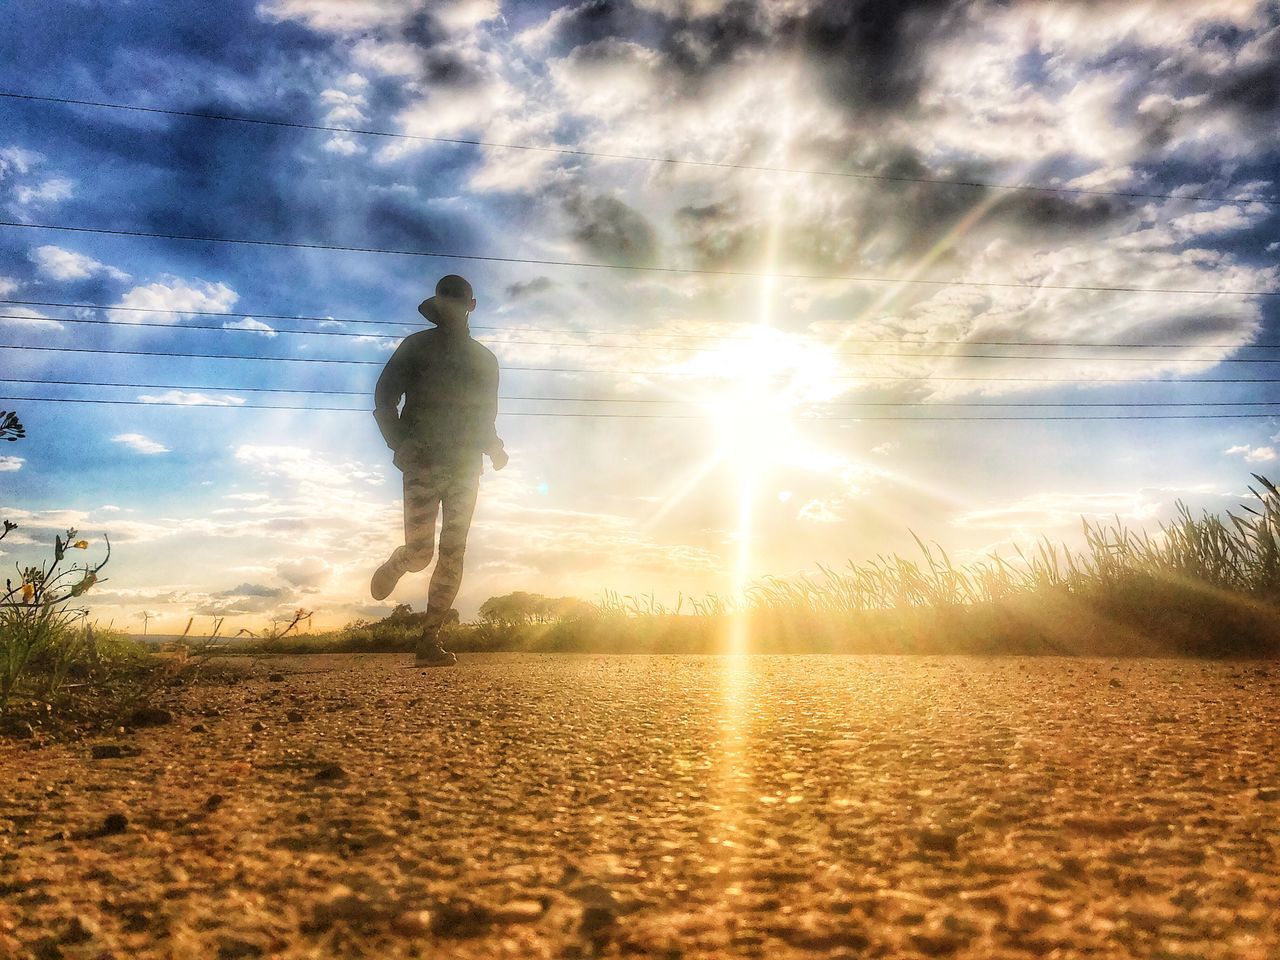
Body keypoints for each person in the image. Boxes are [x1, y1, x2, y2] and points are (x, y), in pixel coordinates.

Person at [371, 274, 508, 666]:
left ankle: (429, 640)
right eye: (445, 300)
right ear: (439, 303)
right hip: (423, 462)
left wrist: (494, 448)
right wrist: (398, 442)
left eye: (456, 300)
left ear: (470, 306)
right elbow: (384, 397)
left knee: (453, 551)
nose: (450, 306)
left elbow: (486, 416)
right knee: (420, 553)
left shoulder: (485, 360)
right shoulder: (415, 347)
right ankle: (400, 562)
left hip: (466, 466)